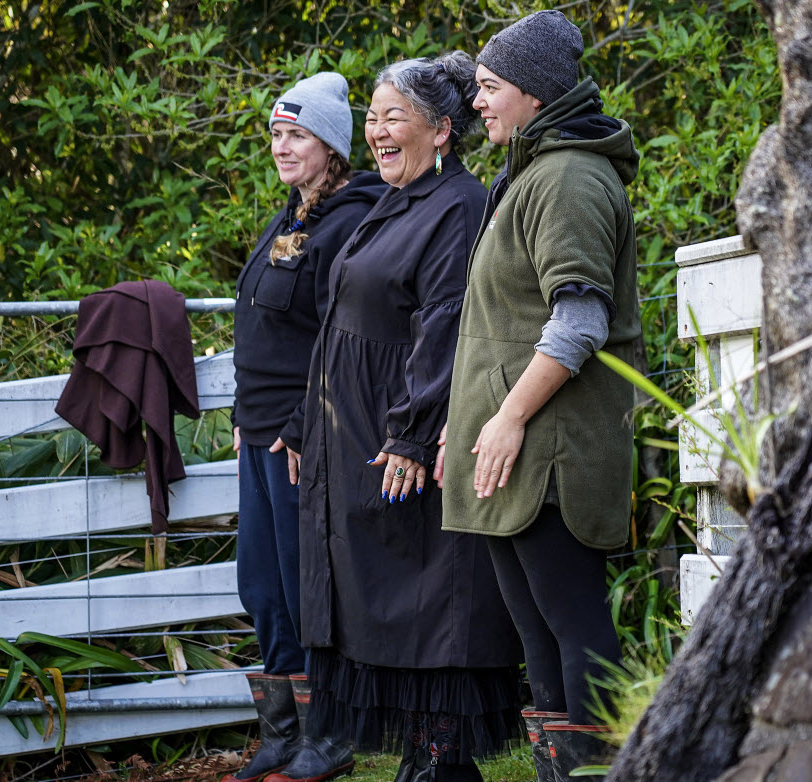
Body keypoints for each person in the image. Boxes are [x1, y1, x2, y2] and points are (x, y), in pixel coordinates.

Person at [270, 53, 523, 782]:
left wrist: (411, 433)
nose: (377, 131)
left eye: (393, 117)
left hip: (407, 437)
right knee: (384, 605)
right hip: (354, 431)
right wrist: (304, 419)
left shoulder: (457, 205)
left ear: (440, 130)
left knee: (428, 607)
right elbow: (343, 320)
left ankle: (442, 764)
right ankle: (422, 761)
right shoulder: (394, 199)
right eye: (372, 118)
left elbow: (445, 323)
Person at [437, 9, 642, 778]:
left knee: (574, 626)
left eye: (489, 86)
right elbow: (503, 323)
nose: (477, 102)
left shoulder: (568, 178)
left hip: (551, 450)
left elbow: (580, 320)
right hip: (514, 451)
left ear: (534, 92)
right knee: (540, 635)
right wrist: (466, 424)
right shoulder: (530, 173)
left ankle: (603, 770)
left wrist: (508, 418)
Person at [224, 71, 386, 782]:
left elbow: (334, 338)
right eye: (275, 134)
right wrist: (245, 416)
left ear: (331, 145)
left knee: (306, 588)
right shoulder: (290, 215)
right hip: (258, 433)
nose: (282, 147)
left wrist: (297, 424)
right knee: (262, 588)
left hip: (303, 436)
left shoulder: (345, 220)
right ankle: (282, 737)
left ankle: (330, 736)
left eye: (297, 135)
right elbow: (263, 326)